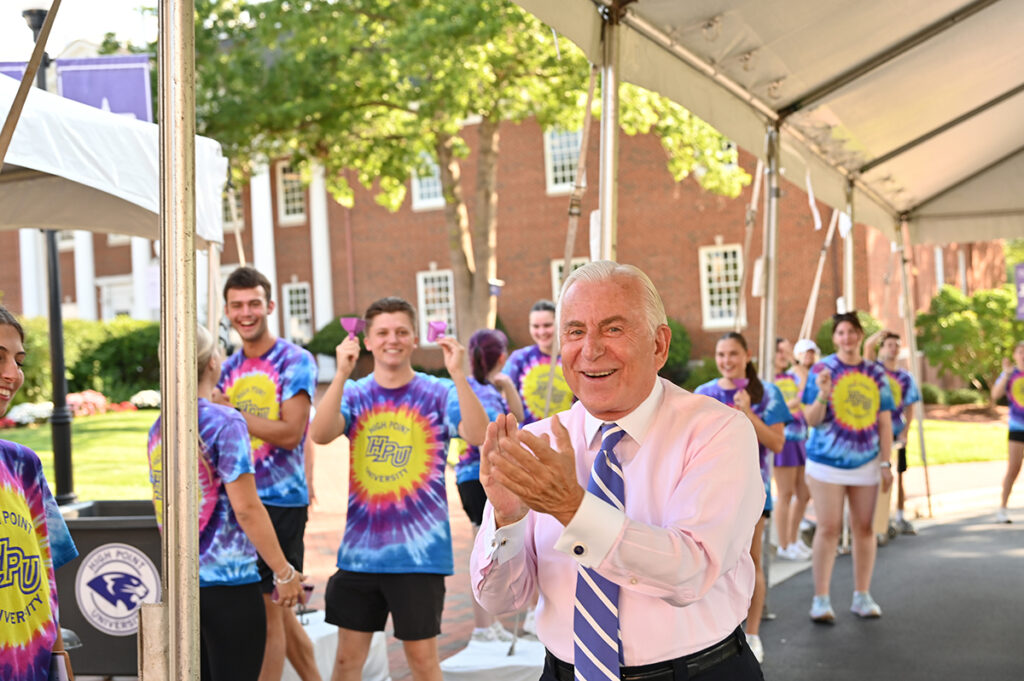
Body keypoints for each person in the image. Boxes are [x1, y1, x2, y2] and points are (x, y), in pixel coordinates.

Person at [471, 261, 765, 681]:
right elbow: (501, 601)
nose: (590, 350)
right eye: (574, 331)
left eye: (612, 329)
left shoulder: (718, 431)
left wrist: (572, 509)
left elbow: (691, 571)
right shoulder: (537, 444)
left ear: (659, 345)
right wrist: (507, 520)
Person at [310, 297, 487, 681]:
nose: (393, 339)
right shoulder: (356, 393)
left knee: (423, 664)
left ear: (414, 338)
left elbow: (478, 434)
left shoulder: (439, 392)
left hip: (419, 557)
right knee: (345, 664)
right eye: (383, 332)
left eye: (402, 331)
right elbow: (320, 434)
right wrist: (340, 374)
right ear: (368, 341)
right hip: (360, 555)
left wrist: (458, 373)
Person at [147, 324, 304, 681]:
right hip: (230, 585)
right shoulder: (225, 421)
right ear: (215, 361)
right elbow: (246, 508)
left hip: (181, 587)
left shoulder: (159, 426)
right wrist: (284, 571)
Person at [211, 266, 321, 681]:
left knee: (270, 617)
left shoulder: (295, 360)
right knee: (276, 612)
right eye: (237, 305)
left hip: (279, 505)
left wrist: (232, 412)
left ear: (270, 305)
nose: (246, 312)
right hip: (238, 505)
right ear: (226, 310)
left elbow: (292, 433)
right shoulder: (225, 367)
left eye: (254, 303)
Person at [695, 332, 790, 664]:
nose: (726, 361)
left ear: (747, 355)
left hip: (752, 492)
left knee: (750, 561)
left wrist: (748, 414)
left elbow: (777, 444)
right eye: (721, 354)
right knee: (711, 564)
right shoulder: (703, 394)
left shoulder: (767, 393)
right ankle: (716, 634)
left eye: (733, 354)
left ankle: (751, 634)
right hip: (708, 493)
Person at [0, 306, 78, 681]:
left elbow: (45, 577)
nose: (12, 374)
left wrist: (61, 661)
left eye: (18, 360)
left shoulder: (22, 465)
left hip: (31, 668)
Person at [802, 312, 894, 623]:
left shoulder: (876, 373)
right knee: (828, 528)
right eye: (841, 333)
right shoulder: (821, 369)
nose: (847, 338)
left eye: (852, 332)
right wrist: (824, 394)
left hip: (866, 462)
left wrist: (885, 461)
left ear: (859, 335)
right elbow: (811, 419)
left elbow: (884, 421)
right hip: (826, 463)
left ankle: (862, 595)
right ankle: (821, 599)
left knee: (864, 528)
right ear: (835, 337)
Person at [455, 329, 525, 643]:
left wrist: (508, 386)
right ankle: (483, 627)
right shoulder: (480, 392)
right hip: (482, 478)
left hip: (473, 477)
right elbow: (511, 425)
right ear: (501, 357)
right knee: (485, 551)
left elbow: (518, 417)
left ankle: (488, 624)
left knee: (487, 549)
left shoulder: (479, 388)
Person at [865, 330, 922, 534]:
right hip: (876, 432)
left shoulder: (905, 377)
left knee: (899, 474)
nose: (893, 348)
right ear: (883, 348)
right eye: (889, 344)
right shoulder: (875, 370)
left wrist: (906, 432)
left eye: (896, 345)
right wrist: (879, 333)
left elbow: (910, 406)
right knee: (876, 473)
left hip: (897, 432)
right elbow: (867, 348)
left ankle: (899, 516)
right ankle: (880, 518)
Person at [502, 300, 574, 425]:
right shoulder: (519, 359)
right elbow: (504, 402)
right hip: (527, 439)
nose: (541, 332)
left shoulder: (573, 358)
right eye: (536, 326)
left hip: (570, 438)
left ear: (559, 324)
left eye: (547, 325)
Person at [772, 338, 813, 560]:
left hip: (800, 439)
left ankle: (794, 539)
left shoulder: (791, 375)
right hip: (784, 440)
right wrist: (793, 403)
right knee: (786, 493)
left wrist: (793, 359)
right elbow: (776, 408)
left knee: (804, 494)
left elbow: (806, 387)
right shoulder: (769, 380)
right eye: (778, 351)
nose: (782, 355)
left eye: (785, 351)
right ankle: (784, 545)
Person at [990, 340, 1024, 523]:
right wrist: (1005, 374)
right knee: (1014, 468)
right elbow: (995, 395)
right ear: (1015, 355)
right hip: (1017, 428)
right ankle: (1002, 508)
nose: (1023, 355)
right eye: (1020, 351)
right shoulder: (1009, 375)